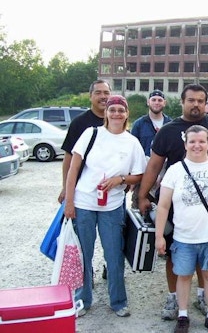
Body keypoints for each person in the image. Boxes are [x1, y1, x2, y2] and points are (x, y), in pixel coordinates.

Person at [138, 83, 208, 321]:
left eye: (201, 100)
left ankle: (203, 295)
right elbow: (154, 165)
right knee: (175, 256)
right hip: (177, 206)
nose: (196, 104)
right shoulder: (169, 131)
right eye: (191, 100)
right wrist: (142, 194)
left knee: (207, 255)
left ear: (206, 102)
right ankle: (173, 298)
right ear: (182, 102)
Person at [64, 95, 147, 318]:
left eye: (121, 110)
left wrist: (119, 180)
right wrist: (69, 201)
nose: (117, 114)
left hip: (111, 206)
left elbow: (139, 174)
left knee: (114, 254)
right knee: (84, 253)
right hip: (84, 203)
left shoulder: (132, 142)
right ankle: (83, 298)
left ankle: (118, 301)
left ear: (127, 114)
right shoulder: (91, 134)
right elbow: (73, 169)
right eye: (113, 110)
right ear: (106, 113)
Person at [155, 125, 208, 333]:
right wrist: (159, 236)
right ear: (185, 144)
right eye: (192, 141)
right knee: (183, 276)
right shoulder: (175, 170)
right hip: (183, 237)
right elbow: (163, 205)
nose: (197, 145)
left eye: (202, 141)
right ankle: (183, 316)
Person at [58, 79, 111, 203]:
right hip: (83, 191)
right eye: (98, 93)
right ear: (90, 97)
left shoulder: (117, 122)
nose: (103, 96)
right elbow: (68, 157)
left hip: (111, 192)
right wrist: (66, 187)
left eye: (106, 93)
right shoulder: (79, 123)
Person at [130, 89, 172, 208]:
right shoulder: (139, 124)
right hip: (143, 175)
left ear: (164, 103)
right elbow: (133, 151)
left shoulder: (171, 124)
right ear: (148, 102)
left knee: (163, 210)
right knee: (139, 209)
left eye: (160, 100)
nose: (157, 102)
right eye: (154, 100)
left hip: (165, 177)